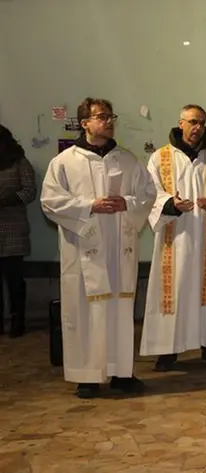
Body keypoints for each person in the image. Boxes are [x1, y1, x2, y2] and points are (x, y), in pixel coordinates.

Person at [41, 97, 155, 398]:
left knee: (118, 307)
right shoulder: (64, 162)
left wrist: (126, 203)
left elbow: (147, 195)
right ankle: (87, 376)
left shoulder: (128, 160)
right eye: (101, 116)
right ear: (85, 123)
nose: (108, 121)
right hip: (84, 251)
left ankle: (121, 372)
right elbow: (50, 203)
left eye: (110, 116)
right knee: (84, 310)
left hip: (119, 250)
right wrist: (90, 206)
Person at [140, 104, 206, 372]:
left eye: (202, 123)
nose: (198, 128)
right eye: (193, 122)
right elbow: (149, 191)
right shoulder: (160, 158)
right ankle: (167, 349)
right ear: (180, 123)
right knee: (172, 290)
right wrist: (170, 204)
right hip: (174, 238)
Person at [0, 125, 36, 338]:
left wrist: (9, 199)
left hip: (14, 229)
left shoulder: (20, 162)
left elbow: (30, 191)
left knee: (14, 279)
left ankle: (17, 321)